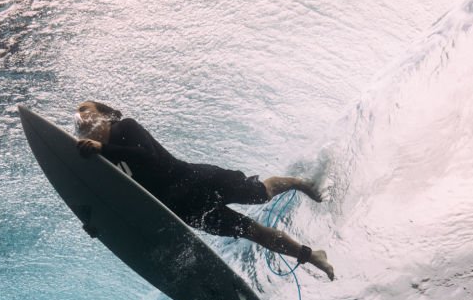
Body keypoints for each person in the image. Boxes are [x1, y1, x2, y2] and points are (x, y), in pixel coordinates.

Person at [73, 100, 335, 280]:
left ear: (104, 114)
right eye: (77, 116)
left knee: (260, 194)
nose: (80, 117)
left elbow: (149, 159)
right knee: (253, 232)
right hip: (185, 211)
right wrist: (98, 225)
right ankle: (312, 256)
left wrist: (102, 149)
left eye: (86, 110)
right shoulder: (101, 166)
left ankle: (298, 182)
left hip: (197, 180)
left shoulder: (125, 127)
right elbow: (116, 202)